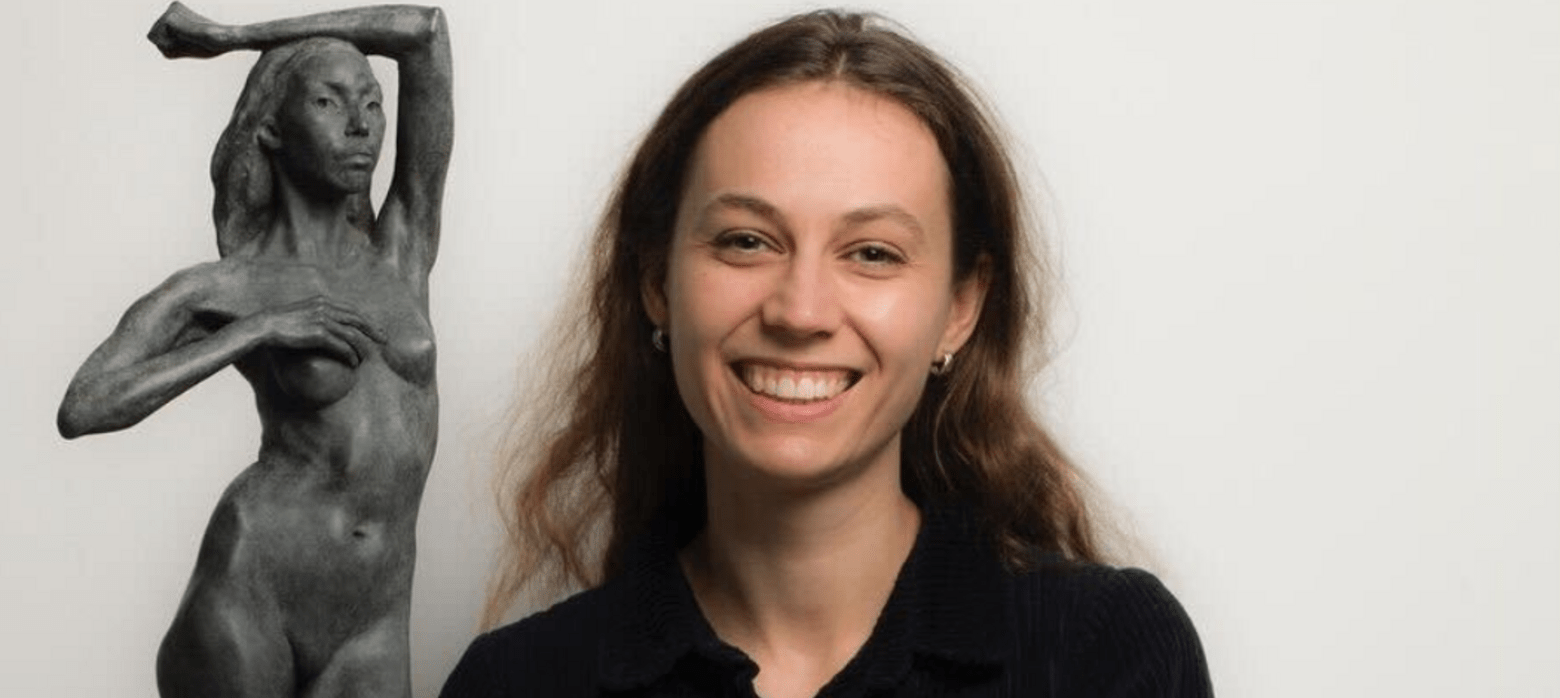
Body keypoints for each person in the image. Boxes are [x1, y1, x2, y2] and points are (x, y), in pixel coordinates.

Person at [443, 9, 1209, 697]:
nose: (800, 311)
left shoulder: (1103, 654)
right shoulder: (515, 682)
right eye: (747, 241)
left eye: (872, 253)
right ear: (657, 284)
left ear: (960, 308)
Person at [56, 3, 451, 696]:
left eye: (372, 103)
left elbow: (423, 31)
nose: (361, 127)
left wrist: (230, 38)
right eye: (328, 103)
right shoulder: (228, 287)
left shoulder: (403, 249)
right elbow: (84, 406)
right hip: (254, 589)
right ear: (270, 130)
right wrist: (256, 331)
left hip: (374, 614)